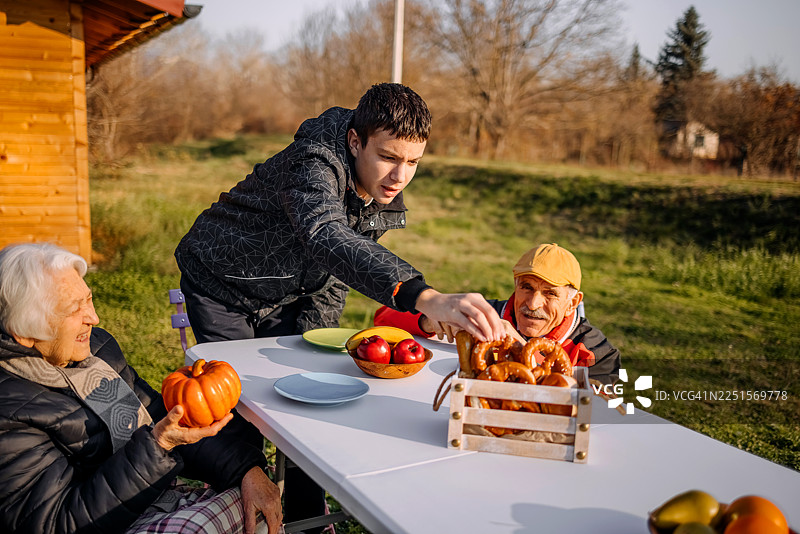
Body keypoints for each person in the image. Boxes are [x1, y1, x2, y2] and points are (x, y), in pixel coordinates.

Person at [174, 82, 504, 345]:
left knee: (298, 393)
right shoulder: (313, 162)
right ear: (355, 141)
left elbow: (341, 267)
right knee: (235, 413)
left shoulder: (380, 190)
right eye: (388, 157)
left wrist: (315, 345)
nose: (400, 177)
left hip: (288, 296)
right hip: (222, 284)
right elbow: (325, 235)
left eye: (413, 162)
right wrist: (423, 297)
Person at [0, 243, 282, 534]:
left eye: (89, 299)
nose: (93, 318)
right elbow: (53, 523)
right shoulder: (9, 410)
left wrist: (246, 469)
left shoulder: (98, 350)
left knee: (255, 503)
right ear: (24, 334)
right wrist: (157, 446)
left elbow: (164, 419)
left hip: (150, 504)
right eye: (74, 309)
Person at [374, 243, 621, 383]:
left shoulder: (597, 351)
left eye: (550, 293)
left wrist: (521, 346)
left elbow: (602, 409)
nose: (533, 304)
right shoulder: (488, 314)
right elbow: (383, 318)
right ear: (515, 285)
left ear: (573, 301)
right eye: (527, 287)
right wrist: (430, 321)